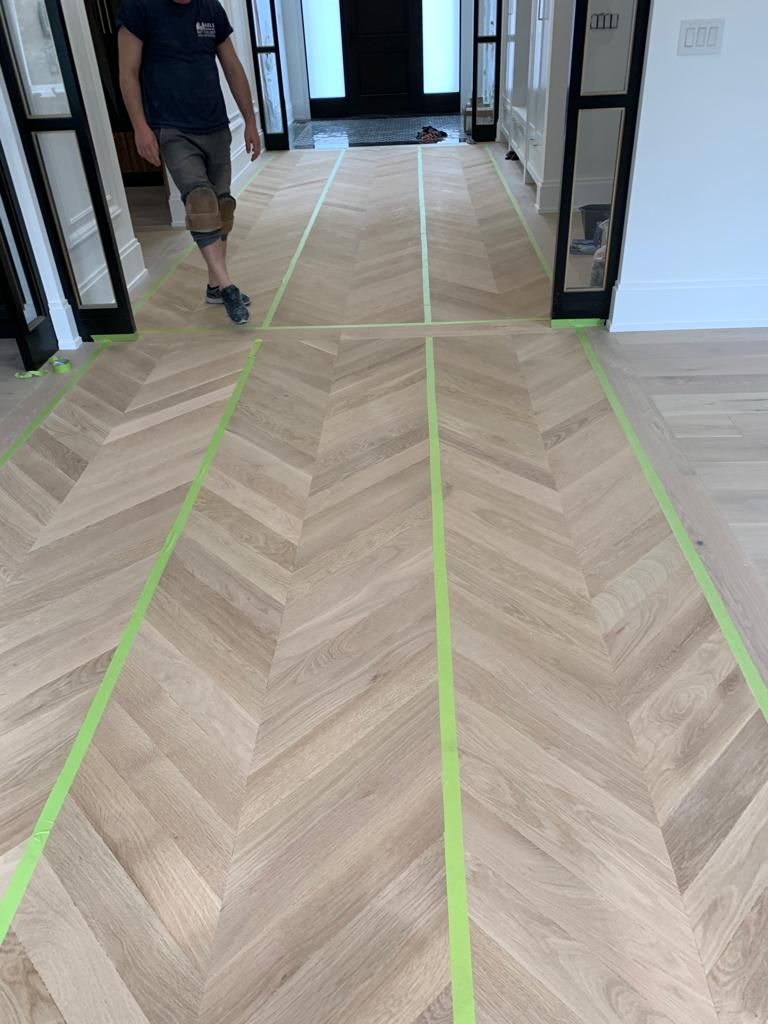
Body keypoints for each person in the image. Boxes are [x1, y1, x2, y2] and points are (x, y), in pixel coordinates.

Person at [116, 0, 261, 325]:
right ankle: (227, 286)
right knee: (200, 201)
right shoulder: (139, 10)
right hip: (172, 128)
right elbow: (128, 73)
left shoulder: (211, 9)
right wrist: (140, 127)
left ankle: (213, 284)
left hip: (215, 124)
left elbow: (233, 68)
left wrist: (250, 121)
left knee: (222, 207)